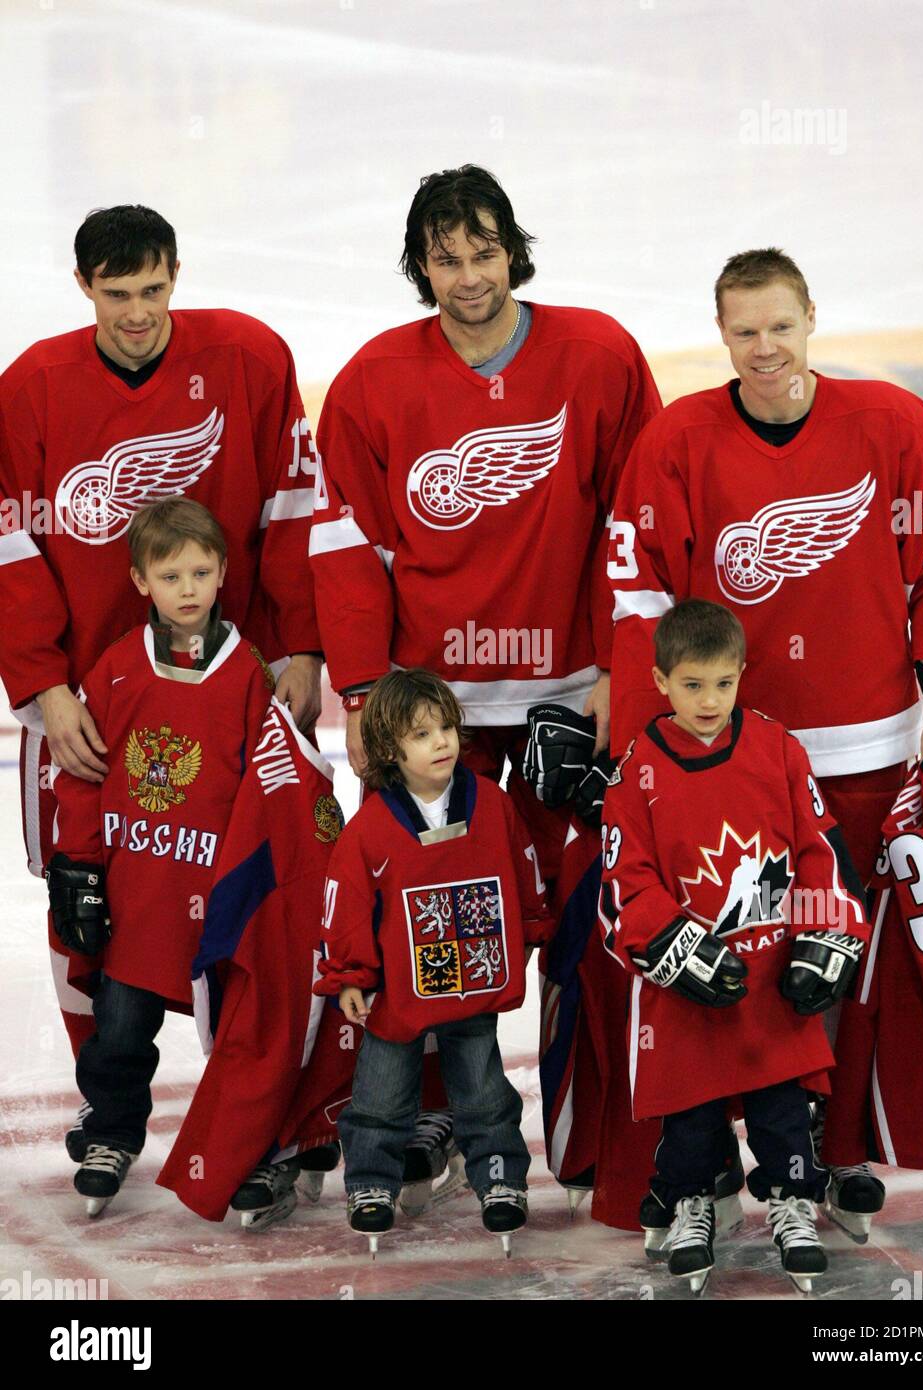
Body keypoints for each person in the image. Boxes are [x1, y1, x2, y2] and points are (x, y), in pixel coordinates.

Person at [608, 247, 923, 1234]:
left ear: (811, 317)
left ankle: (832, 1147)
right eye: (743, 330)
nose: (763, 347)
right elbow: (637, 595)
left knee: (835, 955)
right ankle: (701, 1164)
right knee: (721, 958)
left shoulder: (894, 424)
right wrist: (636, 748)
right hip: (725, 764)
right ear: (720, 334)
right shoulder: (678, 438)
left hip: (865, 751)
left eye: (779, 324)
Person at [308, 164, 660, 1193]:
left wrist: (619, 670)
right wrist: (370, 690)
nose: (467, 276)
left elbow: (632, 527)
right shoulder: (374, 379)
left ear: (515, 248)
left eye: (484, 251)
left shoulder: (598, 354)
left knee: (590, 913)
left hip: (569, 689)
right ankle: (421, 1121)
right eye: (445, 257)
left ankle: (593, 1132)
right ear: (419, 264)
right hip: (432, 711)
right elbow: (345, 543)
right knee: (412, 920)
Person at [0, 204, 323, 1073]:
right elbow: (11, 546)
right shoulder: (30, 385)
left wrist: (301, 648)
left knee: (249, 888)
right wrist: (42, 685)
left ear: (176, 275)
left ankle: (251, 1107)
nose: (137, 314)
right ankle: (106, 1102)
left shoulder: (249, 358)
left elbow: (292, 509)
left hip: (230, 689)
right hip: (92, 700)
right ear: (82, 288)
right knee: (83, 897)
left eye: (152, 289)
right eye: (116, 294)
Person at [601, 600, 870, 1293]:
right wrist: (672, 944)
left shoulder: (776, 746)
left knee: (783, 1111)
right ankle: (692, 1200)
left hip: (771, 978)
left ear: (741, 673)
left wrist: (826, 930)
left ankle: (790, 1201)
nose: (709, 700)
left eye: (723, 682)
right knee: (690, 1118)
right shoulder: (637, 771)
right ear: (659, 681)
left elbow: (818, 848)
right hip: (686, 998)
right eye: (691, 685)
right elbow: (620, 884)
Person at [45, 500, 275, 1215]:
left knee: (242, 1034)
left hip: (219, 896)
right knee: (117, 1029)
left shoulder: (246, 674)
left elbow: (274, 786)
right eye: (169, 574)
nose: (187, 588)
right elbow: (82, 771)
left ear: (223, 574)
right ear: (140, 581)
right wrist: (79, 866)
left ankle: (256, 1150)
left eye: (200, 572)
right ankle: (112, 1131)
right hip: (139, 895)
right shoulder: (117, 668)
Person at [313, 669, 554, 1255]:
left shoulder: (492, 804)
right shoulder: (371, 826)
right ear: (390, 750)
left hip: (474, 984)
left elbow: (523, 871)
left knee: (482, 1088)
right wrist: (349, 974)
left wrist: (527, 930)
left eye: (446, 726)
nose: (442, 741)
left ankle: (499, 1175)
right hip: (399, 991)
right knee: (380, 1091)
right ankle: (371, 1182)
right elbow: (346, 903)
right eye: (423, 734)